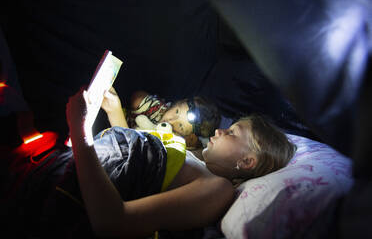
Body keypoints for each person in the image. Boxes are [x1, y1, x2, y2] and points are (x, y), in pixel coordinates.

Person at [2, 88, 296, 238]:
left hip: (68, 191)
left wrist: (80, 131)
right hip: (65, 165)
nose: (219, 131)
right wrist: (115, 110)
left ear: (246, 161)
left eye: (232, 133)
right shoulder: (192, 158)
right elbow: (145, 160)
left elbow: (113, 220)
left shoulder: (216, 188)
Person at [103, 88, 221, 141]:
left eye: (180, 126)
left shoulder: (172, 143)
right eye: (176, 112)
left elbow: (130, 148)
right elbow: (137, 97)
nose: (171, 121)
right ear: (177, 103)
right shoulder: (157, 109)